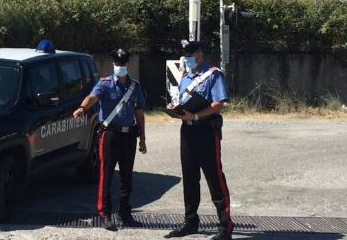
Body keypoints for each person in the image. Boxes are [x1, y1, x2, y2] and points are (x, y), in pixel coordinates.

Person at [165, 40, 233, 240]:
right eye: (185, 55)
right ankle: (191, 222)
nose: (187, 58)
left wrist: (195, 116)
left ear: (199, 54)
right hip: (187, 131)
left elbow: (219, 103)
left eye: (190, 55)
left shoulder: (213, 74)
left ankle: (225, 225)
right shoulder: (185, 76)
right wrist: (174, 107)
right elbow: (182, 100)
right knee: (190, 177)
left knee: (215, 177)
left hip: (206, 130)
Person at [73, 48, 147, 231]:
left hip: (129, 134)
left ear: (127, 64)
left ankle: (124, 213)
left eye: (122, 64)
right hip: (110, 134)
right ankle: (105, 213)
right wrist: (82, 108)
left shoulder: (135, 86)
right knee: (106, 174)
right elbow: (92, 97)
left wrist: (143, 139)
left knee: (126, 177)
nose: (119, 67)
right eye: (116, 64)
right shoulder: (104, 84)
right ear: (113, 64)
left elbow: (139, 113)